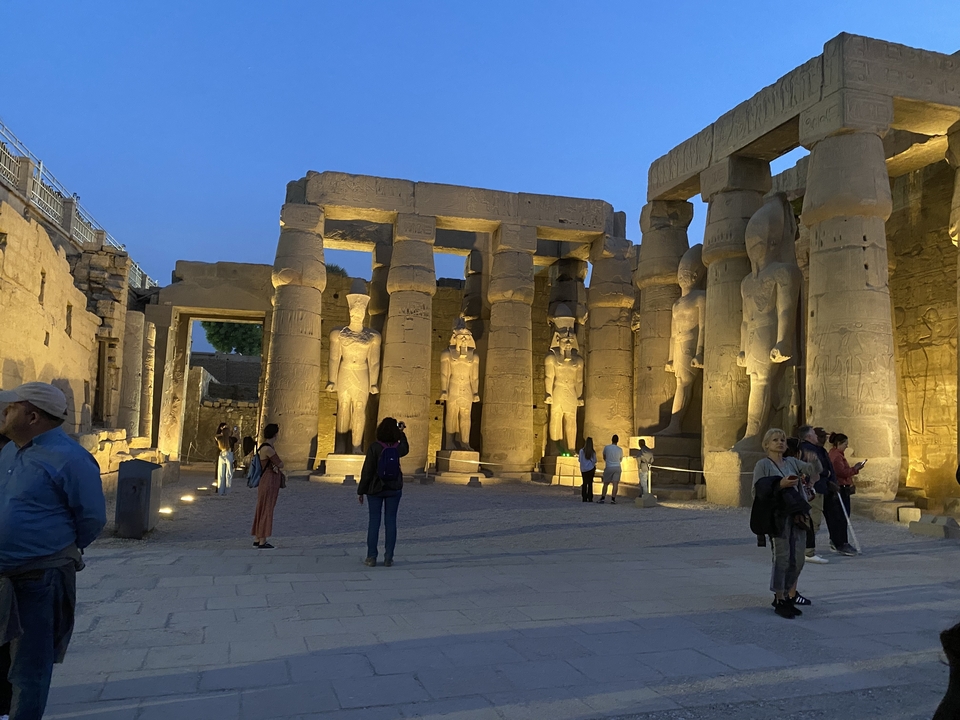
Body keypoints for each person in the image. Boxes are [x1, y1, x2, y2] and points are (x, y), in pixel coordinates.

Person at [0, 382, 106, 718]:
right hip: (3, 578)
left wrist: (58, 551)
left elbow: (91, 518)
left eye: (11, 407)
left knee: (28, 668)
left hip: (39, 578)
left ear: (32, 416)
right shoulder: (8, 451)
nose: (4, 413)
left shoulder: (70, 459)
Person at [753, 428, 816, 619]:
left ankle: (789, 594)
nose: (779, 442)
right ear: (766, 444)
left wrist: (814, 459)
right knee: (782, 557)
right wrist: (779, 485)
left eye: (782, 440)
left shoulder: (792, 462)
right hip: (778, 516)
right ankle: (779, 597)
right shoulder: (762, 464)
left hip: (796, 515)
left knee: (798, 559)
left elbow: (814, 470)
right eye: (775, 440)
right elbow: (758, 491)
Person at [358, 417, 409, 567]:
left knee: (374, 522)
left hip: (375, 488)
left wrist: (361, 490)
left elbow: (367, 471)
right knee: (391, 522)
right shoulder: (397, 448)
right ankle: (389, 557)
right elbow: (406, 448)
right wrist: (402, 433)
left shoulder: (374, 447)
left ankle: (371, 557)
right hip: (393, 488)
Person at [799, 425, 853, 557]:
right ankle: (806, 549)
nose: (823, 439)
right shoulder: (808, 449)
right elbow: (814, 467)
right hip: (817, 488)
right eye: (820, 436)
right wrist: (828, 476)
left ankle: (839, 543)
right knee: (814, 520)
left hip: (827, 488)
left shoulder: (820, 449)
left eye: (824, 437)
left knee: (836, 517)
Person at [829, 432, 864, 547]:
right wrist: (855, 469)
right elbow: (842, 472)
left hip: (842, 487)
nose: (847, 447)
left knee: (841, 517)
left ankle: (838, 541)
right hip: (841, 488)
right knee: (842, 517)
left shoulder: (836, 454)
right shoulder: (836, 456)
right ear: (839, 443)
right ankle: (840, 542)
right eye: (845, 444)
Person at [251, 424, 283, 549]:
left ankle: (257, 538)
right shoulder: (268, 449)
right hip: (269, 481)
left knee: (262, 508)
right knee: (267, 509)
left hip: (266, 480)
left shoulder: (264, 447)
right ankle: (262, 540)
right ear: (275, 434)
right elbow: (280, 464)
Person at [599, 435, 623, 504]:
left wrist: (608, 461)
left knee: (606, 483)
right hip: (617, 466)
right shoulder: (620, 449)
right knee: (615, 484)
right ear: (617, 441)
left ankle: (603, 498)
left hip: (609, 466)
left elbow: (604, 456)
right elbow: (620, 459)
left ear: (611, 439)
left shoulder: (607, 448)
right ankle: (613, 499)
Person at [214, 422, 234, 495]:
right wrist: (235, 432)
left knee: (220, 474)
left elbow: (215, 436)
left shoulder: (220, 439)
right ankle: (227, 491)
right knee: (228, 474)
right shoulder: (231, 439)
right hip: (229, 454)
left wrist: (222, 431)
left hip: (222, 454)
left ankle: (220, 491)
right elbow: (239, 440)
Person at [578, 438, 597, 502]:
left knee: (584, 483)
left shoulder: (581, 451)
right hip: (591, 469)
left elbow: (580, 460)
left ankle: (584, 497)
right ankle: (590, 497)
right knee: (590, 483)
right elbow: (595, 460)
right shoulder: (593, 452)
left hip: (583, 469)